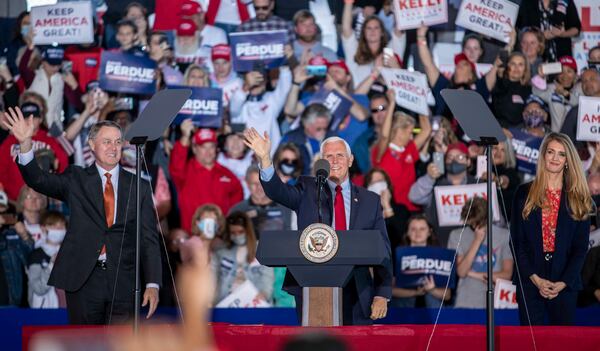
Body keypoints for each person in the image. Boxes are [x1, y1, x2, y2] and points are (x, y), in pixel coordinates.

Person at [4, 109, 162, 324]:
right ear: (92, 145)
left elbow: (149, 238)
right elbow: (38, 180)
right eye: (106, 141)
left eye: (117, 142)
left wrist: (153, 284)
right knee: (84, 343)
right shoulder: (76, 178)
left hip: (123, 279)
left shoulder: (139, 186)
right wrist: (25, 143)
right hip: (84, 279)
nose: (113, 148)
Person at [244, 128, 392, 325]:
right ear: (320, 162)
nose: (334, 160)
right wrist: (264, 158)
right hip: (310, 285)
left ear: (350, 160)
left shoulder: (370, 200)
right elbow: (277, 191)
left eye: (340, 155)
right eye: (328, 156)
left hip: (357, 289)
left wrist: (382, 293)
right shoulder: (307, 189)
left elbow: (382, 248)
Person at [511, 132, 592, 325]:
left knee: (562, 342)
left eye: (561, 154)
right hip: (530, 279)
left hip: (565, 280)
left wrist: (563, 283)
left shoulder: (578, 197)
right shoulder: (524, 193)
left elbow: (580, 248)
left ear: (567, 160)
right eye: (551, 152)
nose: (555, 158)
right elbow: (516, 242)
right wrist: (536, 279)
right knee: (531, 342)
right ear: (543, 155)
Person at [169, 122, 243, 232]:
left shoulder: (228, 175)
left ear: (216, 149)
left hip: (221, 238)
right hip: (193, 238)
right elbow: (176, 163)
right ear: (194, 149)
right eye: (203, 147)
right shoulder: (185, 171)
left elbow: (237, 207)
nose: (208, 152)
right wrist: (185, 136)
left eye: (211, 146)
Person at [448, 197, 513, 308]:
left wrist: (474, 274)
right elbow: (462, 272)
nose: (474, 226)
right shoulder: (456, 235)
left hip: (496, 303)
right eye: (471, 223)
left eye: (477, 222)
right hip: (465, 300)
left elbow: (507, 275)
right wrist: (477, 241)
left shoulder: (504, 235)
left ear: (487, 218)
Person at [212, 211, 274, 305]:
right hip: (227, 301)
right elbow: (214, 279)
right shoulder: (221, 253)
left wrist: (264, 293)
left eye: (240, 232)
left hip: (255, 301)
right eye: (233, 233)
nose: (237, 235)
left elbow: (267, 276)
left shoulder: (262, 249)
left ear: (247, 231)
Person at [392, 214, 450, 308]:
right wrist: (415, 293)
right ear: (407, 232)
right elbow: (390, 290)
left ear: (429, 232)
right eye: (413, 229)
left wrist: (432, 290)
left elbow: (447, 295)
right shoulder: (398, 255)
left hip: (433, 308)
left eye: (422, 229)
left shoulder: (440, 256)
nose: (418, 232)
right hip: (404, 307)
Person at [27, 211, 67, 308]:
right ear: (43, 228)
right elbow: (38, 288)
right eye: (53, 226)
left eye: (61, 227)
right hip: (44, 311)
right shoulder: (36, 254)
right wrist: (52, 265)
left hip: (68, 310)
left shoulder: (70, 254)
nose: (58, 230)